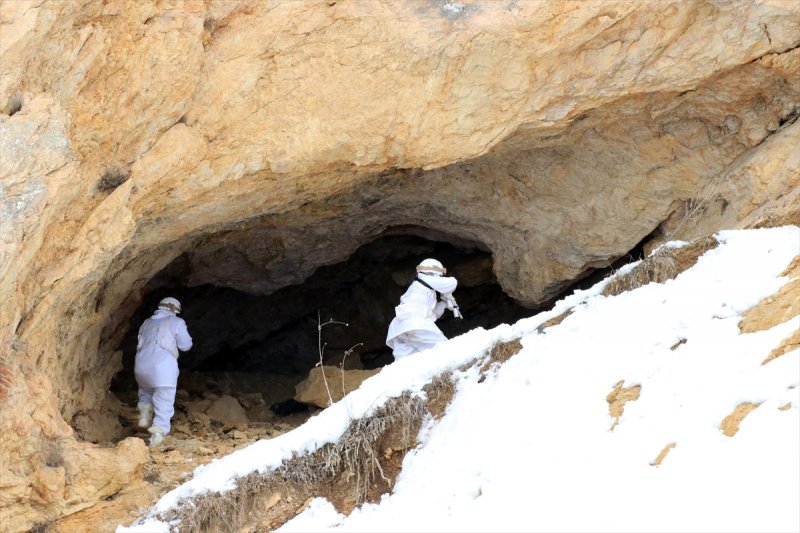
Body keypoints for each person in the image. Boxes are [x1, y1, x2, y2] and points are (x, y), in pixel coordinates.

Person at [134, 297, 192, 447]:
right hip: (162, 369)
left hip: (141, 366)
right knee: (164, 400)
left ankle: (144, 418)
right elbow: (185, 345)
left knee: (145, 392)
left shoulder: (146, 323)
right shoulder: (176, 322)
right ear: (175, 309)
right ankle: (157, 435)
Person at [386, 258, 461, 361]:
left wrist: (444, 304)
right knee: (444, 350)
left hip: (400, 328)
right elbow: (452, 283)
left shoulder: (420, 288)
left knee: (405, 364)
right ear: (434, 272)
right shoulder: (426, 280)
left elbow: (430, 315)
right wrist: (446, 293)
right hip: (415, 325)